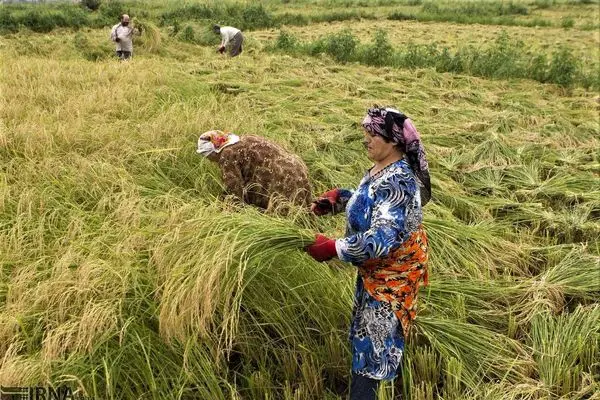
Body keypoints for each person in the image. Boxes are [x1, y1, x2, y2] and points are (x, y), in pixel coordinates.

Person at [305, 107, 431, 400]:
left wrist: (334, 247)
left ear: (394, 140)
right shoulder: (381, 169)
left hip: (390, 281)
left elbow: (381, 239)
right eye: (365, 132)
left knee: (372, 354)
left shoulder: (399, 179)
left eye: (373, 133)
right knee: (370, 345)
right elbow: (373, 201)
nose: (366, 139)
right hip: (374, 275)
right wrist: (340, 200)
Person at [196, 130, 312, 209]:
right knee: (302, 211)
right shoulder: (247, 138)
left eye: (208, 156)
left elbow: (233, 190)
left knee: (285, 219)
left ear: (213, 152)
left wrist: (224, 210)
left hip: (283, 179)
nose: (210, 160)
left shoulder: (227, 154)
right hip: (298, 169)